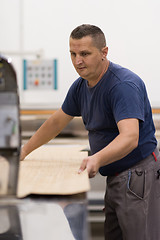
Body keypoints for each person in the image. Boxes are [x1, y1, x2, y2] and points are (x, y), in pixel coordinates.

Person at [21, 24, 160, 240]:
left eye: (85, 54)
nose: (78, 61)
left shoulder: (122, 85)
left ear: (104, 52)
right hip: (115, 176)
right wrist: (24, 151)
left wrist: (97, 158)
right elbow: (56, 122)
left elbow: (130, 137)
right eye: (73, 54)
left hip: (137, 175)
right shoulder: (81, 86)